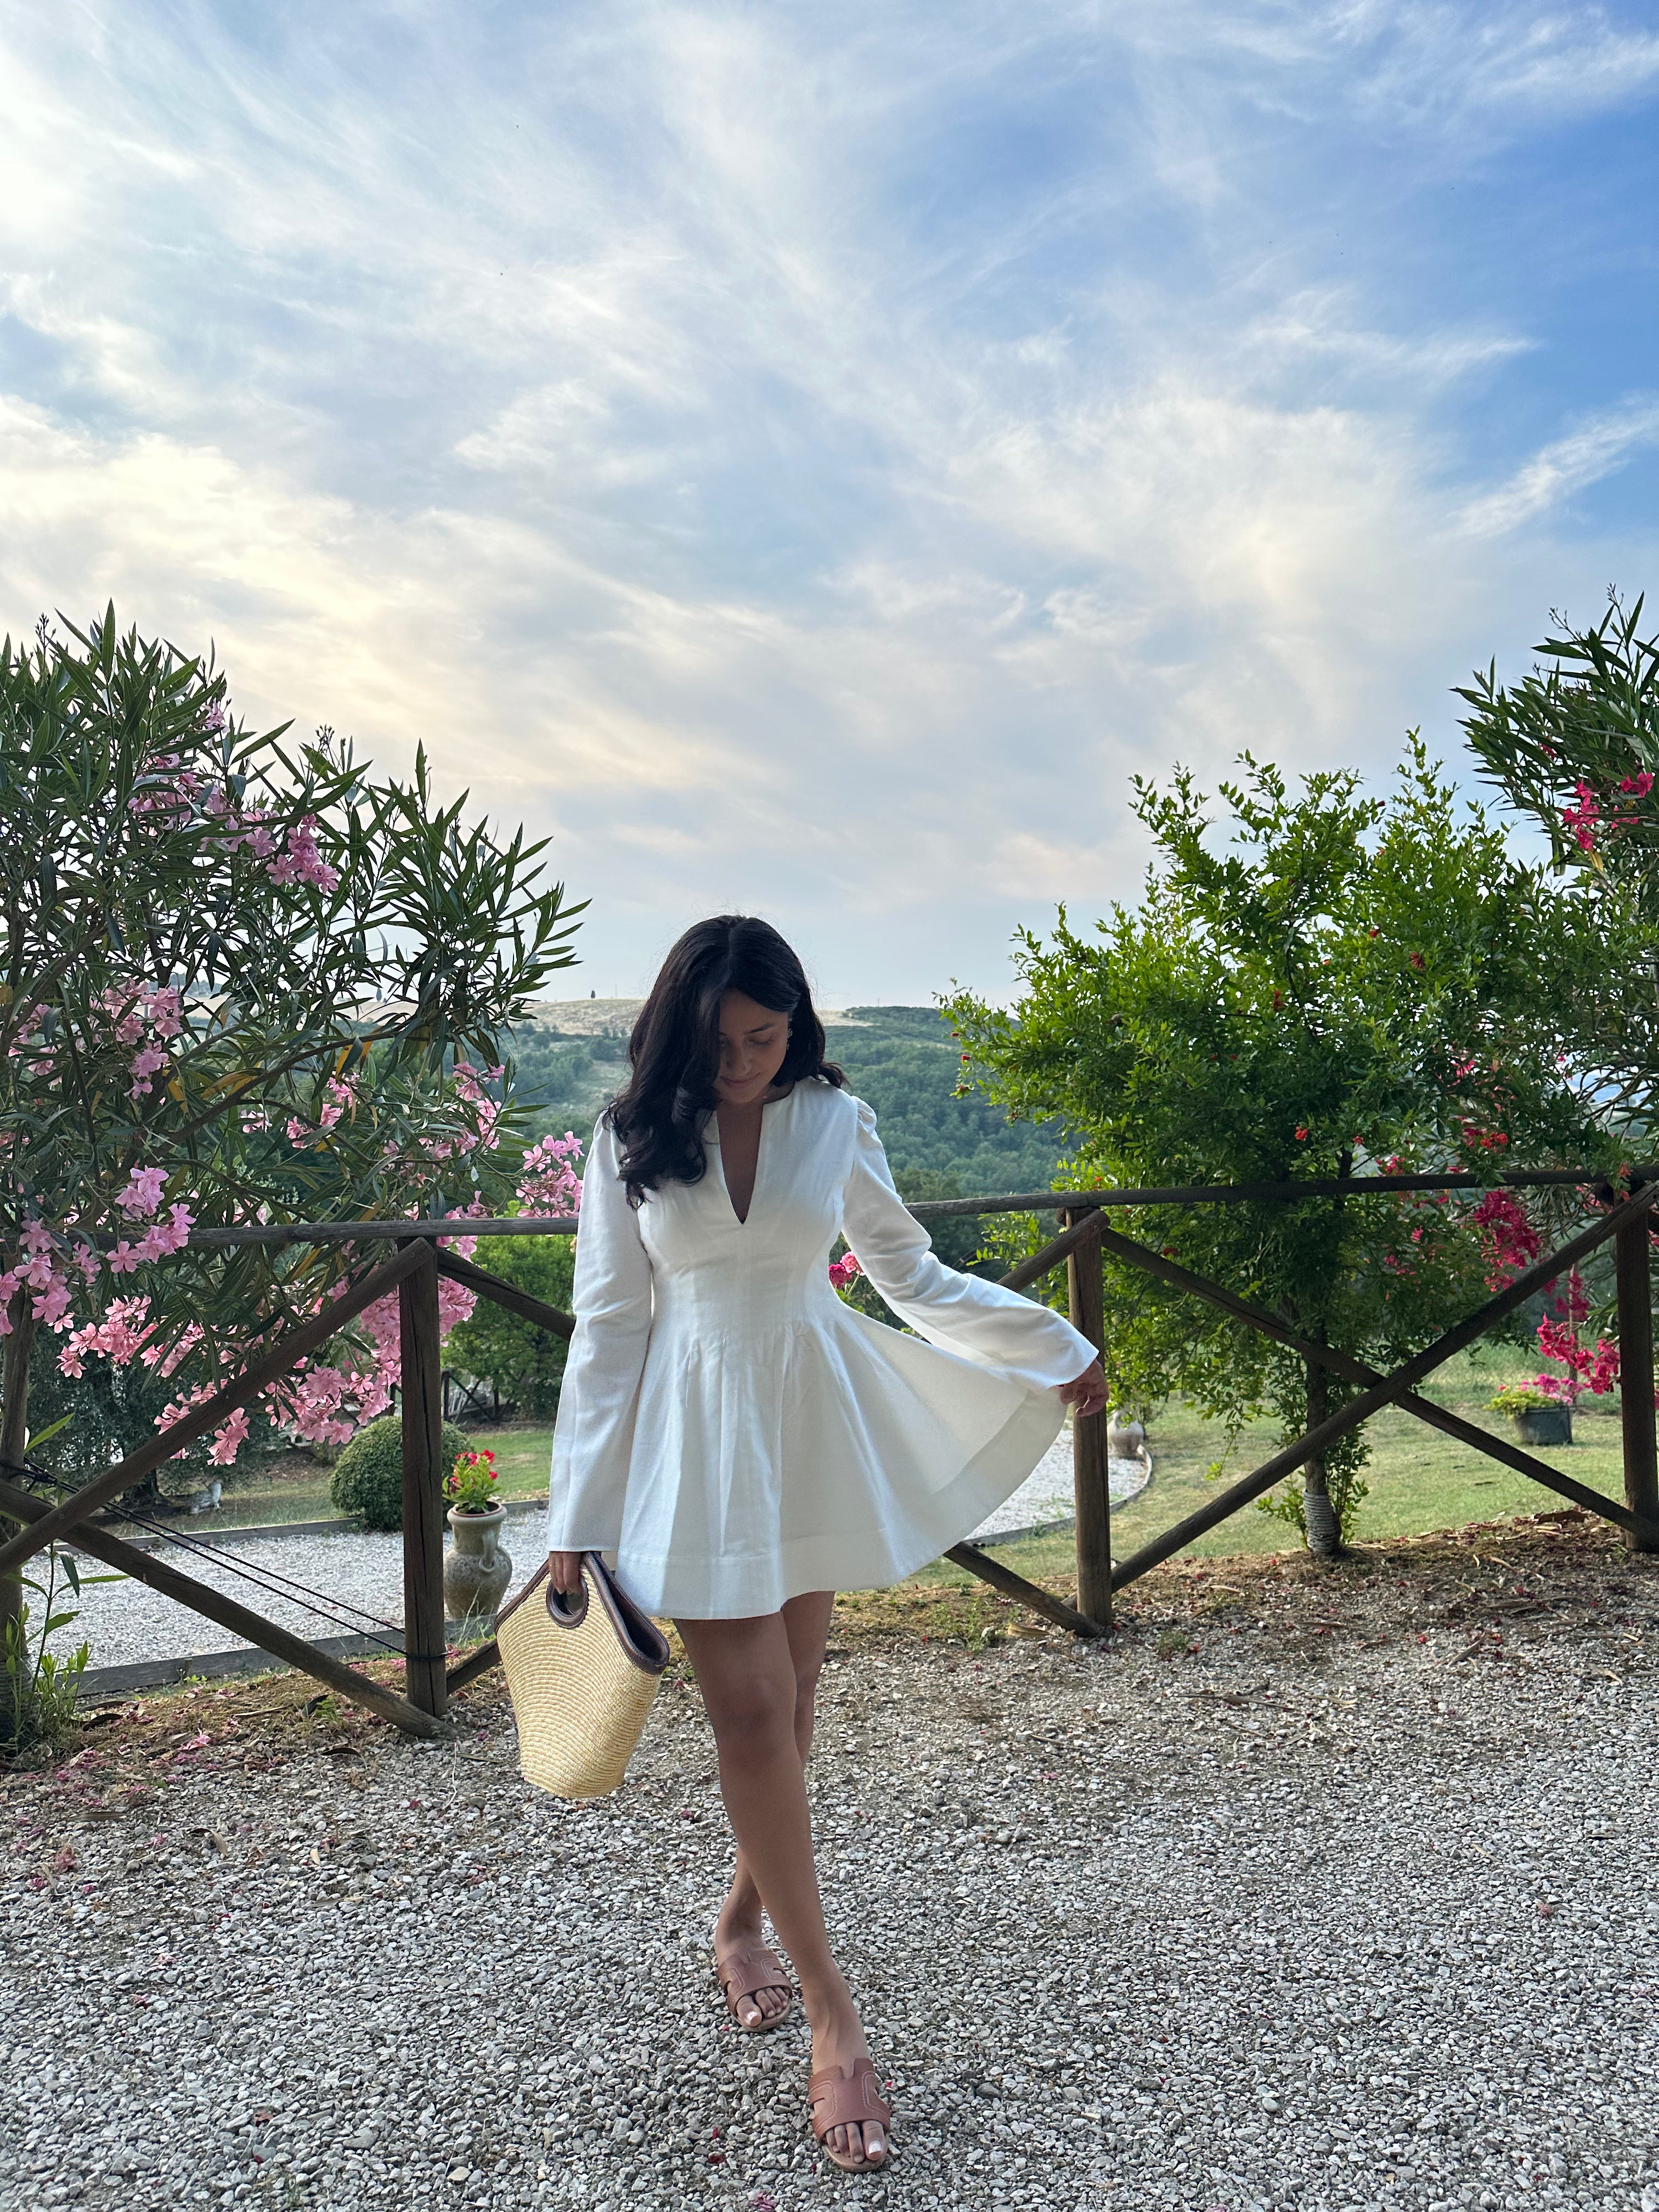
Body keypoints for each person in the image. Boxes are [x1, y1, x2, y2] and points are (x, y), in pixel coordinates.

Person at [546, 916, 1105, 2173]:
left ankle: (740, 1924)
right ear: (677, 1031)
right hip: (691, 1436)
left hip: (809, 1417)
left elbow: (912, 1276)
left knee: (790, 1709)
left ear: (797, 1026)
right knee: (747, 1715)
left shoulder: (835, 1125)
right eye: (721, 1041)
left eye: (765, 1037)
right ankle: (837, 2025)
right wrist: (576, 1515)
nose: (742, 1063)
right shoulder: (631, 1139)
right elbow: (608, 1325)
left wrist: (1051, 1346)